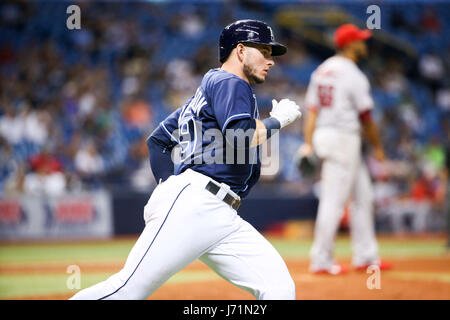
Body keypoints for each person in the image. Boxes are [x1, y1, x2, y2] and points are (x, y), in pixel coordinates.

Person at [70, 19, 302, 300]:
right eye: (264, 51)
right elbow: (241, 137)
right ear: (240, 51)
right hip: (196, 202)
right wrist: (279, 120)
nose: (271, 60)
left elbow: (157, 141)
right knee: (127, 290)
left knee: (278, 288)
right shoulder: (230, 82)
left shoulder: (205, 93)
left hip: (218, 212)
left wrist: (167, 185)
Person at [297, 24, 391, 275]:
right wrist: (379, 146)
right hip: (343, 137)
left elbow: (312, 111)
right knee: (334, 200)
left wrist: (308, 143)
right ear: (349, 45)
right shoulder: (353, 74)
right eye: (359, 41)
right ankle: (321, 259)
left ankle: (365, 256)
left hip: (325, 135)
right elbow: (366, 117)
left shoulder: (322, 70)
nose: (364, 44)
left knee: (363, 197)